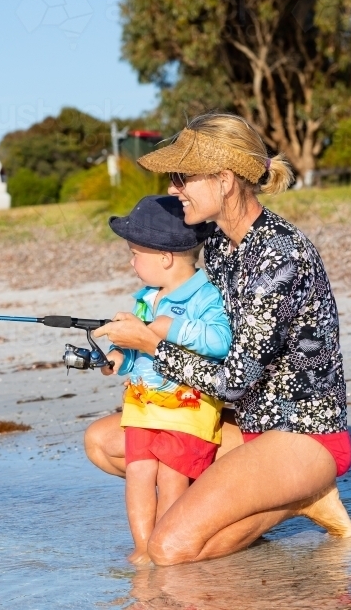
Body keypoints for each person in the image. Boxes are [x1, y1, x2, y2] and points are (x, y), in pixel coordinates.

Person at [89, 112, 351, 566]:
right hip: (244, 423)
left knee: (169, 551)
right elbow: (168, 263)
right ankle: (261, 501)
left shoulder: (279, 257)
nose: (174, 188)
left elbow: (233, 381)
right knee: (104, 441)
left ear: (226, 180)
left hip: (303, 435)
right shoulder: (218, 243)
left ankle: (300, 497)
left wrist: (153, 345)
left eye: (182, 177)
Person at [102, 195, 232, 565]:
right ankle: (143, 550)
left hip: (187, 412)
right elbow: (137, 355)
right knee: (138, 473)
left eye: (135, 254)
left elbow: (220, 341)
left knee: (173, 479)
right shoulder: (145, 298)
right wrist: (117, 360)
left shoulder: (206, 295)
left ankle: (166, 546)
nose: (131, 262)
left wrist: (169, 327)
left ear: (165, 258)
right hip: (142, 407)